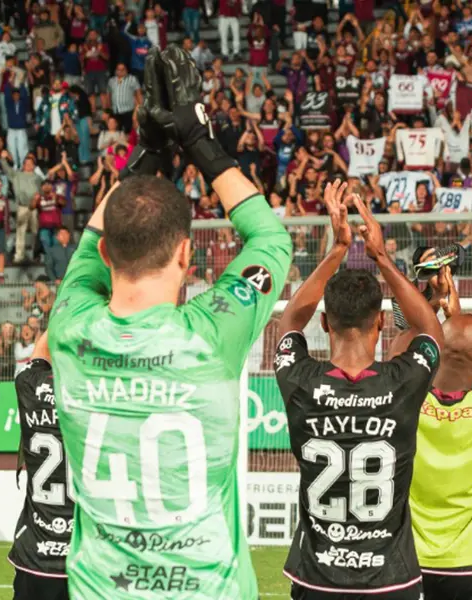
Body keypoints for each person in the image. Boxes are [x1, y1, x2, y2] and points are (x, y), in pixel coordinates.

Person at [48, 47, 291, 599]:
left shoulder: (69, 326)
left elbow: (90, 242)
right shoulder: (212, 334)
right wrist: (200, 141)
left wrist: (146, 154)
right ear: (187, 254)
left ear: (108, 254)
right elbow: (271, 239)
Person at [274, 181, 443, 599]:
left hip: (317, 579)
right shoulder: (401, 383)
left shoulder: (300, 381)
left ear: (326, 322)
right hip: (391, 581)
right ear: (381, 323)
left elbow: (290, 323)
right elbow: (431, 330)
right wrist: (380, 256)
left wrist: (337, 249)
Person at [393, 266, 472, 600]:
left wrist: (433, 310)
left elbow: (395, 354)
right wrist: (460, 317)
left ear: (436, 354)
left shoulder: (407, 401)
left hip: (411, 562)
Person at [7, 331, 71, 599]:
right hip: (84, 553)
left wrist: (64, 309)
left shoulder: (29, 384)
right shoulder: (98, 394)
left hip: (35, 553)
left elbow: (39, 355)